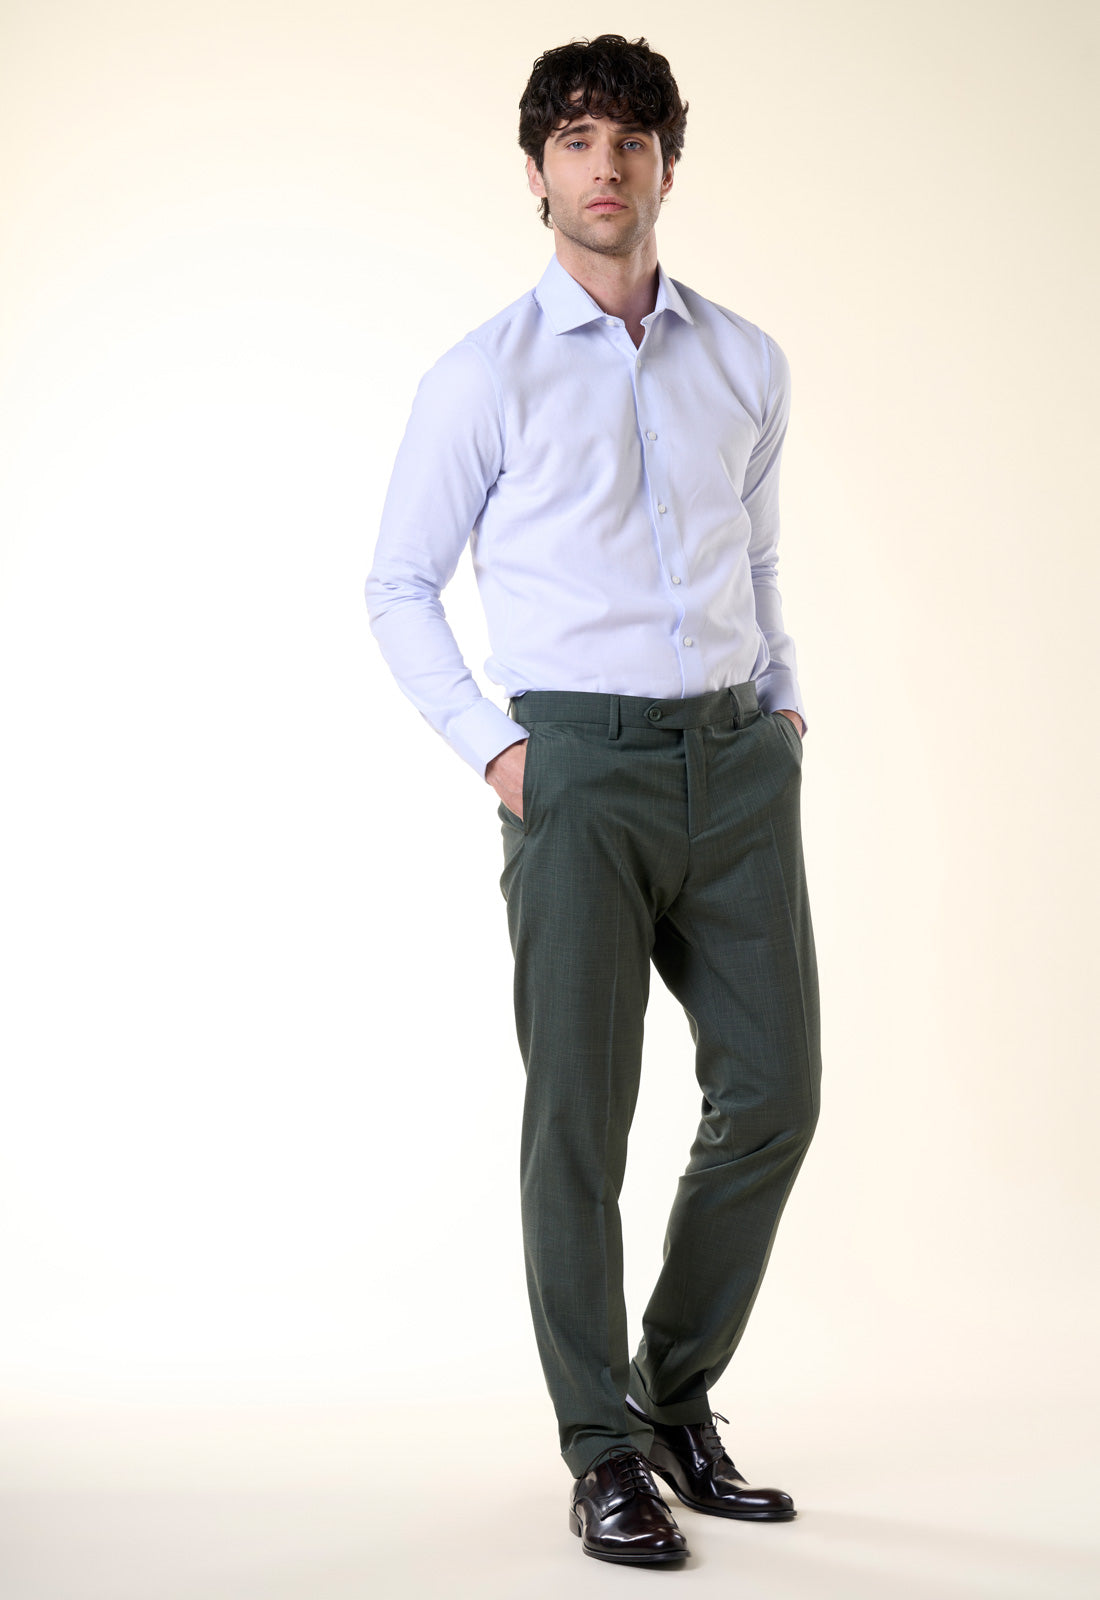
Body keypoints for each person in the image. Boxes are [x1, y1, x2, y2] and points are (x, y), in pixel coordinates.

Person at [364, 33, 821, 1568]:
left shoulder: (743, 360)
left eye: (630, 138)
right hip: (574, 774)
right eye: (575, 139)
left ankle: (669, 1394)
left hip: (737, 763)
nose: (604, 164)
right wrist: (503, 754)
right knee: (581, 1120)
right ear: (538, 172)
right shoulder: (480, 375)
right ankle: (601, 1448)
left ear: (666, 166)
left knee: (774, 1095)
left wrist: (783, 704)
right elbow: (398, 585)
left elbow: (756, 555)